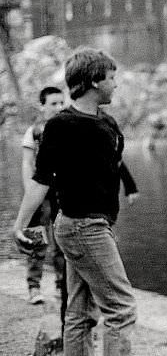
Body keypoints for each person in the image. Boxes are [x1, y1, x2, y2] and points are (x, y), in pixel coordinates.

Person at [11, 47, 139, 356]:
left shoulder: (108, 123)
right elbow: (41, 180)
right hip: (82, 227)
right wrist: (19, 225)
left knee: (81, 313)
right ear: (95, 81)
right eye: (111, 78)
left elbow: (115, 167)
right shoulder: (61, 125)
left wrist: (128, 189)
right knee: (121, 308)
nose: (116, 84)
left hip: (97, 226)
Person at [21, 86, 65, 307]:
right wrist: (30, 191)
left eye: (61, 103)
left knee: (61, 240)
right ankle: (34, 287)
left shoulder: (68, 128)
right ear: (43, 106)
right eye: (53, 104)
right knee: (36, 238)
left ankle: (61, 284)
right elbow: (27, 162)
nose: (59, 107)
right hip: (40, 191)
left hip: (62, 192)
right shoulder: (35, 131)